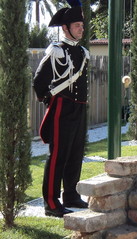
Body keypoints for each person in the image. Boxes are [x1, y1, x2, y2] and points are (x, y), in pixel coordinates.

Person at [33, 1, 90, 218]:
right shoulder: (56, 51)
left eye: (82, 26)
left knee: (76, 153)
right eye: (77, 26)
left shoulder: (83, 53)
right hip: (61, 107)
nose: (81, 30)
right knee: (58, 154)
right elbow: (39, 81)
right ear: (65, 28)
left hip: (79, 108)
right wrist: (49, 100)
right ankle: (51, 202)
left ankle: (71, 195)